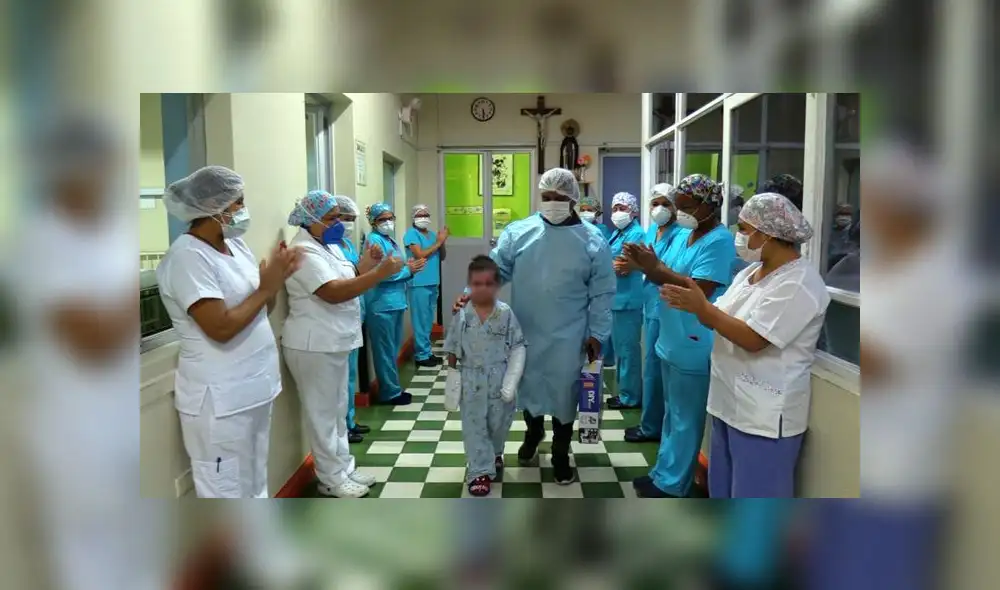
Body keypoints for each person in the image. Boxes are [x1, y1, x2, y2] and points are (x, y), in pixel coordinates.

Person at [658, 192, 830, 498]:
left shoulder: (799, 283)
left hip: (764, 414)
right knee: (723, 492)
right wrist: (697, 306)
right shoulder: (751, 273)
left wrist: (702, 307)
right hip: (729, 401)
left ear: (767, 234)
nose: (739, 236)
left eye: (744, 229)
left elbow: (754, 339)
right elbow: (718, 317)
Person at [453, 167, 615, 485]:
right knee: (527, 386)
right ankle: (533, 433)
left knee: (564, 390)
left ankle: (559, 452)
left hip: (570, 333)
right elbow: (497, 269)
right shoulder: (520, 232)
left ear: (572, 199)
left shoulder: (592, 239)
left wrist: (597, 333)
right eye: (546, 197)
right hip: (525, 329)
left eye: (558, 198)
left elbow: (603, 291)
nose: (551, 203)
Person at [156, 165, 303, 497]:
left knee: (254, 481)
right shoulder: (187, 257)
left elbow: (260, 308)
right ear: (214, 207)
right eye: (238, 202)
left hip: (254, 387)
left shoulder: (237, 248)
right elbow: (219, 327)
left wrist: (272, 284)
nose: (242, 210)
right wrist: (266, 289)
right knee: (226, 490)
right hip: (220, 399)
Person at [282, 191, 403, 497]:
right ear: (311, 221)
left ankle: (344, 468)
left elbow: (349, 276)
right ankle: (330, 479)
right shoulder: (304, 252)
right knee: (322, 414)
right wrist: (379, 273)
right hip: (314, 344)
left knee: (337, 410)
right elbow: (333, 291)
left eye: (339, 216)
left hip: (334, 340)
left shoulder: (328, 247)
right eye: (332, 218)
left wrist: (366, 264)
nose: (339, 223)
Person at [622, 173, 735, 498]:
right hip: (672, 337)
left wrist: (654, 268)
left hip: (693, 340)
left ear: (707, 206)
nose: (680, 212)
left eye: (685, 206)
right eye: (678, 205)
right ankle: (663, 473)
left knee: (686, 417)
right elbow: (665, 274)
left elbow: (700, 289)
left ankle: (674, 485)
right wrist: (646, 265)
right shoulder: (686, 235)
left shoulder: (719, 241)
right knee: (672, 413)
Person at [443, 255, 526, 496]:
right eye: (477, 283)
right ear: (469, 285)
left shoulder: (505, 313)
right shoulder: (463, 314)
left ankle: (495, 452)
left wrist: (511, 380)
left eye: (489, 283)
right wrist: (451, 375)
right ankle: (478, 471)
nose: (483, 288)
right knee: (474, 425)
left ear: (497, 286)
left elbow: (518, 345)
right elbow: (452, 346)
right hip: (471, 380)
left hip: (500, 377)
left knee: (498, 423)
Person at [624, 183, 684, 443]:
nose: (659, 209)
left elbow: (667, 268)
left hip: (668, 306)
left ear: (675, 207)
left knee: (660, 369)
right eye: (655, 203)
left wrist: (640, 265)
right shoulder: (652, 231)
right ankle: (650, 424)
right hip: (652, 304)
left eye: (665, 203)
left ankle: (653, 427)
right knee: (652, 366)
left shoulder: (681, 235)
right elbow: (647, 264)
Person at [364, 202, 426, 406]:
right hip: (381, 305)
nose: (388, 222)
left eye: (390, 218)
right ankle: (389, 393)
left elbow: (393, 267)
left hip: (394, 302)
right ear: (373, 222)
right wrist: (409, 270)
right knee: (384, 351)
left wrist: (407, 268)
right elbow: (380, 274)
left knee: (391, 350)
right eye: (382, 219)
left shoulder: (388, 240)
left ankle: (393, 388)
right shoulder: (374, 242)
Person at [331, 194, 371, 442]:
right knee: (342, 379)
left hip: (355, 314)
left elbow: (357, 272)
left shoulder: (347, 246)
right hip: (339, 320)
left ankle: (351, 420)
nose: (348, 224)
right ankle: (344, 425)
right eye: (344, 219)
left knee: (351, 375)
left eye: (351, 219)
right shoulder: (330, 248)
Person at [604, 192, 646, 410]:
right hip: (618, 299)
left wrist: (603, 266)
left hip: (629, 301)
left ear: (633, 210)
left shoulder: (636, 233)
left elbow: (621, 266)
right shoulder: (619, 233)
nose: (618, 212)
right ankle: (625, 392)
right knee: (622, 350)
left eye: (623, 208)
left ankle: (630, 396)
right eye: (615, 208)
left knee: (628, 350)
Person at [404, 204, 449, 367]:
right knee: (420, 320)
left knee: (428, 319)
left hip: (432, 282)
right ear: (413, 218)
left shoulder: (431, 235)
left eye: (425, 214)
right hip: (418, 283)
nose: (423, 218)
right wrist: (439, 242)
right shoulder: (411, 234)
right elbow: (420, 254)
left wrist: (442, 242)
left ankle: (427, 352)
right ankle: (421, 355)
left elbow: (441, 256)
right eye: (419, 215)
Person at [578, 195, 615, 366]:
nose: (586, 213)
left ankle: (602, 361)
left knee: (600, 324)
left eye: (590, 210)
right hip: (583, 286)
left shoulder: (602, 231)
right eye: (583, 209)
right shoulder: (576, 231)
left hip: (600, 284)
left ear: (598, 212)